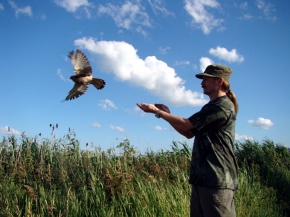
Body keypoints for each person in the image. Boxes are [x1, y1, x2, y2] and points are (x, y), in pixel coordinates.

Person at [137, 64, 239, 217]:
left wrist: (157, 111)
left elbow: (186, 124)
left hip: (217, 181)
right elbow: (188, 132)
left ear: (219, 81)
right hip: (203, 180)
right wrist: (166, 114)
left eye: (206, 79)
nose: (201, 82)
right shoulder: (210, 107)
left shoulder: (222, 106)